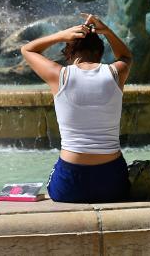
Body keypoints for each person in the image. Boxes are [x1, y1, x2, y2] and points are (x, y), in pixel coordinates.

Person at [20, 13, 133, 203]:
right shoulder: (116, 72)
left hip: (70, 184)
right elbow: (125, 55)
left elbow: (27, 50)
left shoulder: (59, 75)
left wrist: (61, 35)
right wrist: (107, 31)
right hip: (113, 183)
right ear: (99, 53)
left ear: (69, 54)